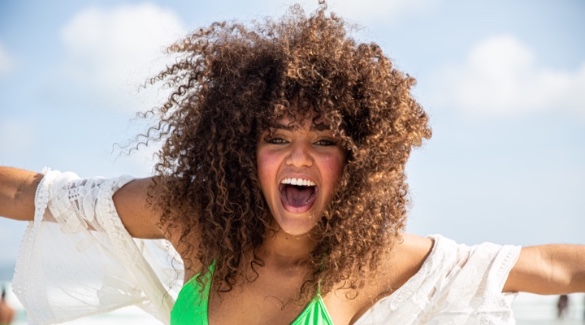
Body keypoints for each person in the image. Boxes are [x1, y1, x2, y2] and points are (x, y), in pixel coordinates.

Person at [0, 2, 584, 325]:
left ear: (356, 161)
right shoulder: (191, 217)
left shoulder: (372, 262)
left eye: (325, 141)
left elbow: (549, 269)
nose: (300, 157)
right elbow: (36, 196)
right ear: (241, 151)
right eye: (277, 137)